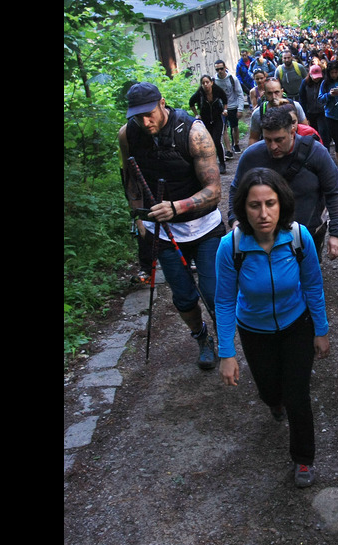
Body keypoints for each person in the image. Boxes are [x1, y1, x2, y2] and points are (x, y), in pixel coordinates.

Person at [215, 167, 330, 488]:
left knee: (298, 395)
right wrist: (227, 353)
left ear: (282, 204)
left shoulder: (298, 237)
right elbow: (223, 300)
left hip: (297, 325)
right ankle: (273, 401)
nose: (263, 213)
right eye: (255, 205)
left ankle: (304, 458)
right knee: (269, 391)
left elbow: (313, 284)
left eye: (270, 203)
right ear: (243, 208)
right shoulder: (231, 246)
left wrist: (320, 330)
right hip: (255, 330)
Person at [118, 82, 224, 370]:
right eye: (137, 116)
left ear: (162, 103)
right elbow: (130, 180)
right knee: (183, 296)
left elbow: (214, 190)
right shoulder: (128, 134)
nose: (144, 121)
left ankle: (227, 341)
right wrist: (137, 215)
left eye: (149, 114)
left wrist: (176, 207)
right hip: (161, 232)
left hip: (204, 228)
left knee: (215, 293)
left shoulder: (193, 132)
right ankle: (202, 338)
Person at [230, 107, 338, 261]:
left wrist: (337, 233)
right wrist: (235, 219)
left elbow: (335, 191)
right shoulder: (252, 156)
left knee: (307, 277)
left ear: (292, 132)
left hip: (309, 231)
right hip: (263, 234)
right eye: (268, 140)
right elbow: (236, 190)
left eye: (279, 140)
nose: (273, 146)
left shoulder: (316, 152)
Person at [248, 77, 307, 147]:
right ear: (264, 94)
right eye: (269, 93)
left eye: (276, 92)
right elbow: (253, 138)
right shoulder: (258, 113)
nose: (273, 97)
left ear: (282, 91)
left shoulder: (295, 107)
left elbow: (305, 129)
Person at [189, 75, 229, 174]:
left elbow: (224, 99)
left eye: (207, 82)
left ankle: (222, 163)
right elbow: (191, 103)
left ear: (211, 82)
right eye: (203, 83)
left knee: (216, 140)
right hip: (206, 120)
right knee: (208, 141)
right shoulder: (199, 94)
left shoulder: (217, 90)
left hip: (217, 118)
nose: (205, 84)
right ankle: (211, 163)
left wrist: (225, 109)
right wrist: (197, 115)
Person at [213, 59, 246, 158]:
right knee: (224, 129)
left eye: (221, 69)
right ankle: (228, 150)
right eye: (217, 69)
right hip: (221, 108)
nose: (219, 71)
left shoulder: (232, 79)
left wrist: (240, 109)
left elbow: (240, 94)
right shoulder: (214, 80)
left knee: (234, 127)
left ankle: (236, 144)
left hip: (233, 106)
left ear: (225, 68)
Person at [299, 65, 328, 146]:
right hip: (310, 112)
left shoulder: (324, 82)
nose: (316, 79)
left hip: (322, 112)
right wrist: (305, 116)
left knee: (323, 133)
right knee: (312, 133)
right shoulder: (305, 83)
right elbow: (302, 99)